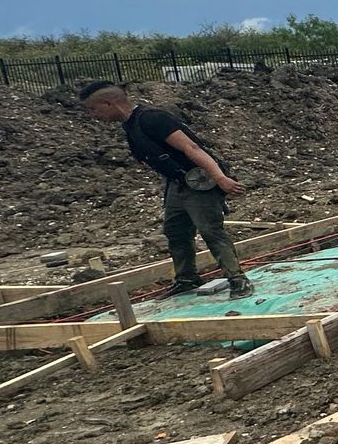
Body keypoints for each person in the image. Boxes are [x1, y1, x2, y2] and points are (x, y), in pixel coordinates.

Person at [77, 82, 254, 297]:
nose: (92, 115)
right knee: (176, 231)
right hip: (177, 183)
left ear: (108, 103)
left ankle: (237, 280)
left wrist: (220, 178)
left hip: (199, 180)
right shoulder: (130, 125)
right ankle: (187, 279)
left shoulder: (153, 118)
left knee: (211, 231)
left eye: (93, 109)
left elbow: (191, 147)